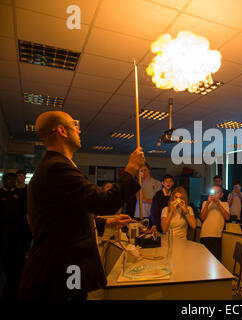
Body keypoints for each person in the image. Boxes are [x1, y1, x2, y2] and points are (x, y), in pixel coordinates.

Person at [18, 111, 145, 300]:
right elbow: (105, 202)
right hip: (65, 265)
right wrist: (131, 169)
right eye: (74, 125)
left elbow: (67, 216)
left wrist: (104, 224)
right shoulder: (56, 167)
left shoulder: (55, 165)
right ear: (62, 130)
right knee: (73, 296)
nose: (79, 130)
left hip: (63, 262)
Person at [0, 172, 32, 300]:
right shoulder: (0, 193)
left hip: (18, 230)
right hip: (3, 230)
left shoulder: (21, 194)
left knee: (18, 254)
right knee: (5, 254)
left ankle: (18, 276)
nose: (11, 181)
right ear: (4, 180)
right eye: (8, 179)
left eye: (13, 179)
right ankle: (9, 274)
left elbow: (26, 212)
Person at [200, 185, 230, 261]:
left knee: (215, 260)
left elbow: (227, 218)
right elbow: (202, 218)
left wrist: (218, 204)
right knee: (204, 259)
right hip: (204, 234)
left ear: (221, 195)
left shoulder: (225, 204)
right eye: (213, 192)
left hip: (216, 236)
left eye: (217, 192)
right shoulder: (205, 203)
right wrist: (207, 204)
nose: (215, 194)